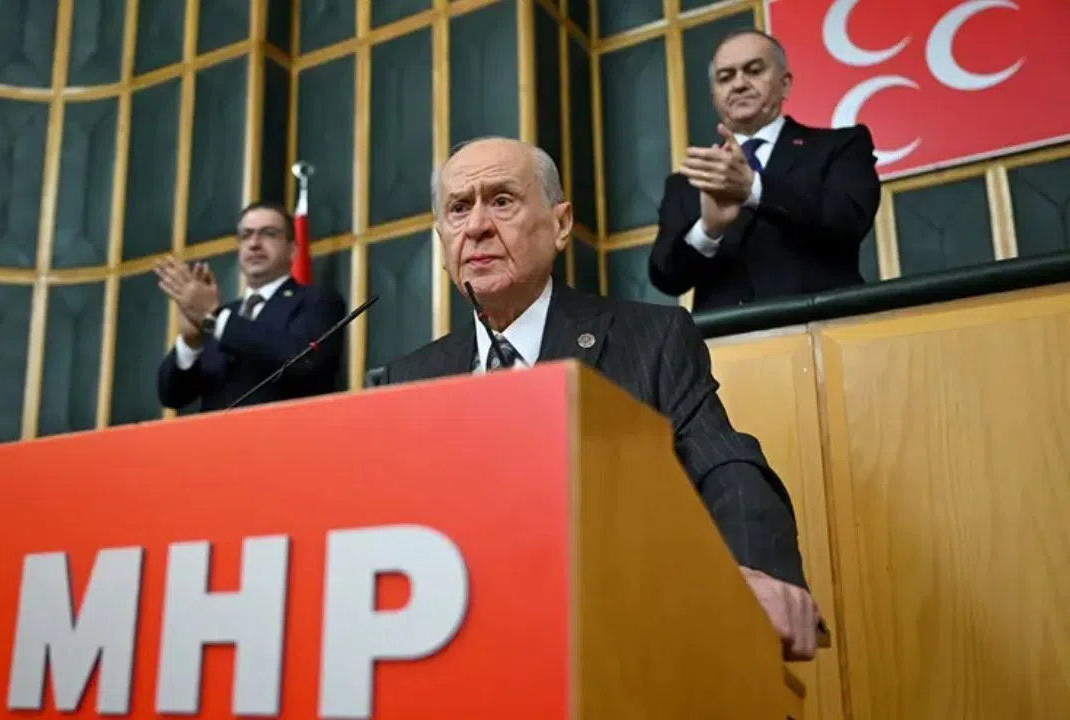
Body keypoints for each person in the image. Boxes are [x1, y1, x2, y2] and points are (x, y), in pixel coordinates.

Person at [377, 136, 821, 660]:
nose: (476, 226)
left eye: (501, 200)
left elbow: (725, 462)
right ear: (442, 238)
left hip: (610, 640)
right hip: (453, 646)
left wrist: (756, 569)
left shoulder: (650, 339)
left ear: (561, 224)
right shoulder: (407, 380)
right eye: (458, 208)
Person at [649, 29, 881, 311]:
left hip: (821, 325)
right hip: (726, 336)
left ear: (785, 84)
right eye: (725, 77)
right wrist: (708, 230)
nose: (739, 84)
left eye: (754, 70)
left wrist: (754, 190)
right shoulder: (689, 181)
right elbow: (666, 277)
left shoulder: (841, 146)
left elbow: (848, 221)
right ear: (714, 97)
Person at [154, 202, 347, 411]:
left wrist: (215, 318)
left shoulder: (318, 302)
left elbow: (305, 362)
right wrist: (191, 342)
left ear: (292, 250)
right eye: (246, 235)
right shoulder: (221, 315)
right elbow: (171, 396)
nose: (254, 244)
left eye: (269, 234)